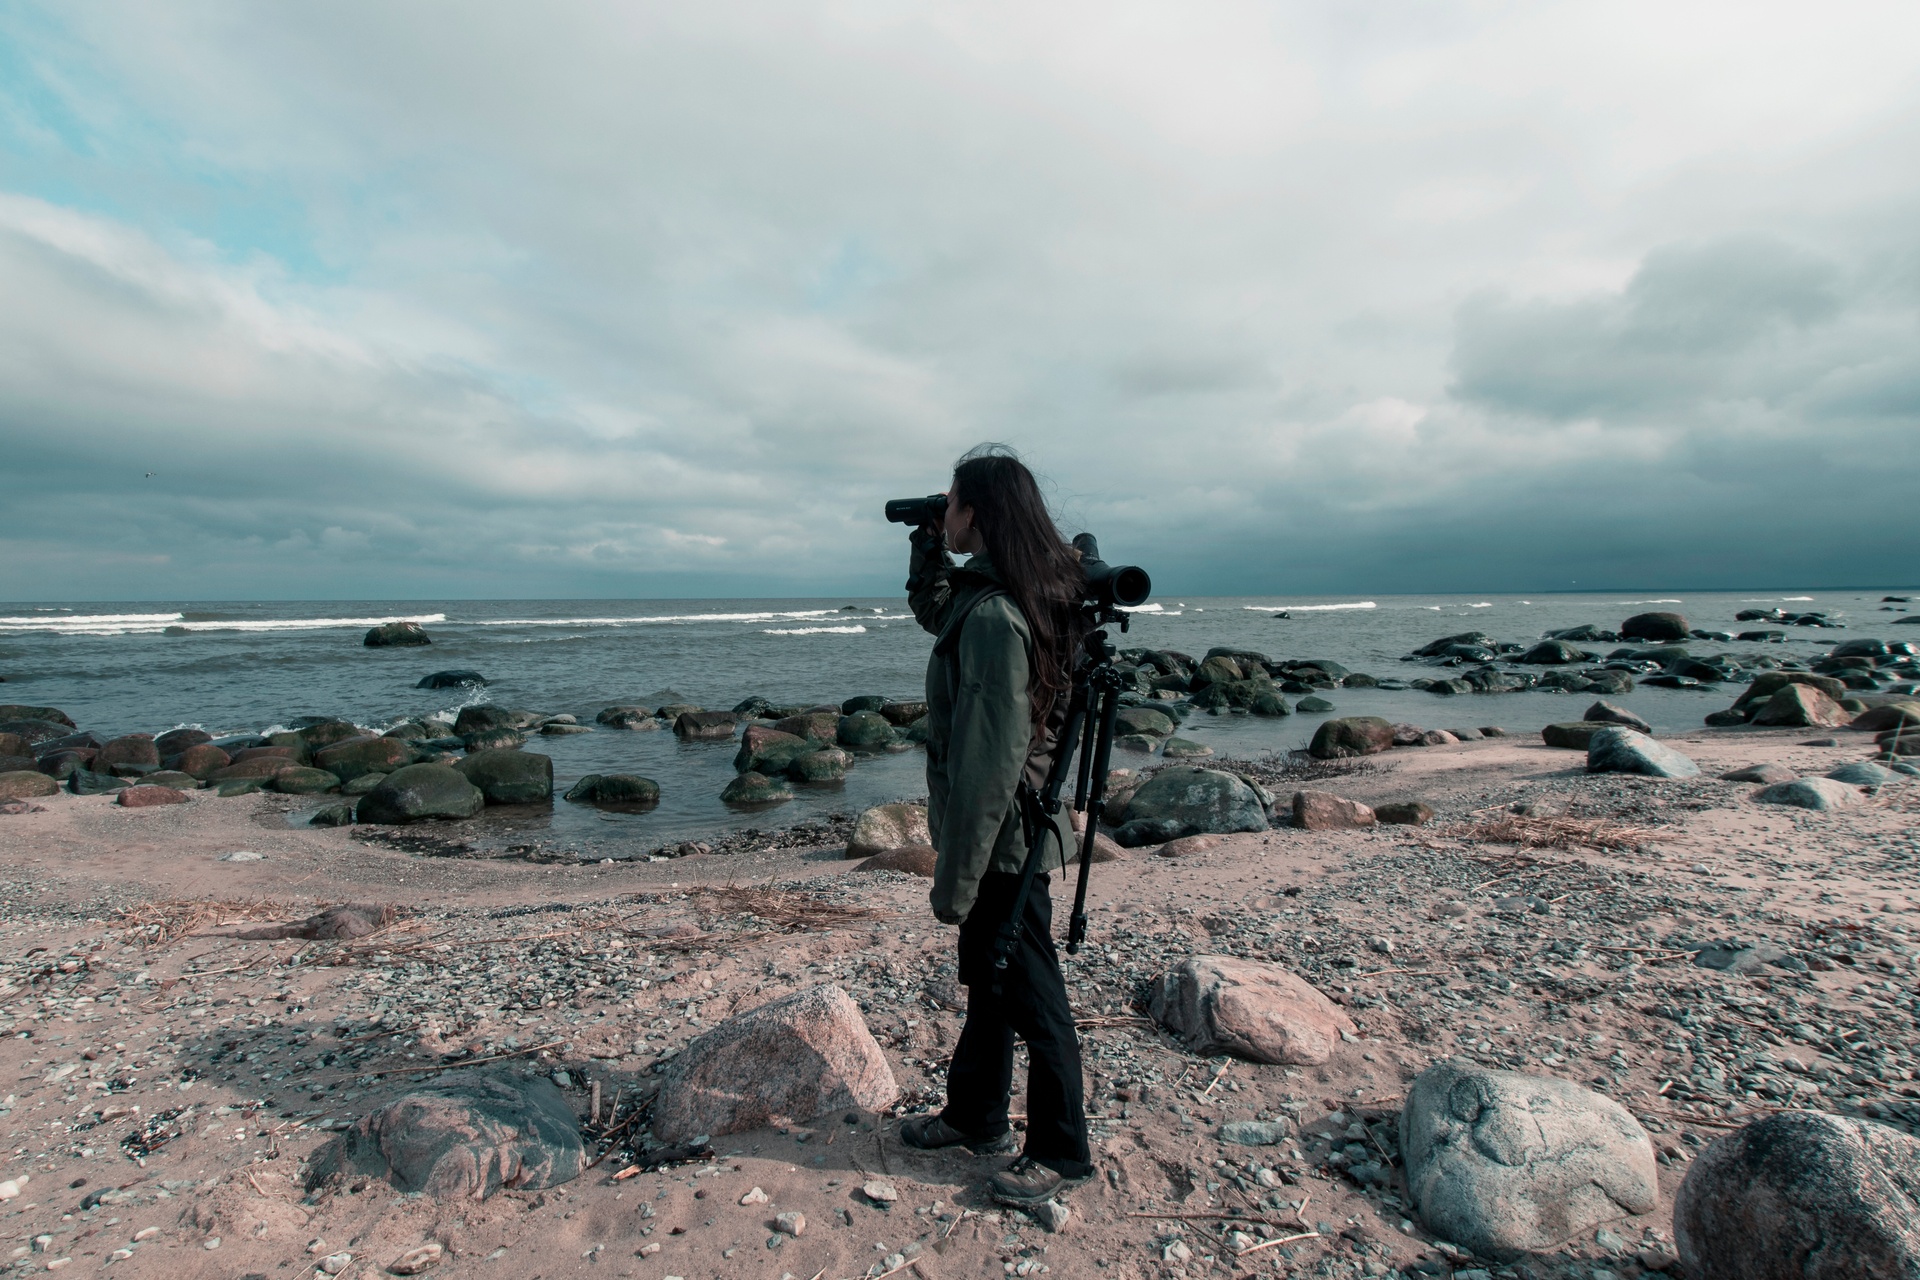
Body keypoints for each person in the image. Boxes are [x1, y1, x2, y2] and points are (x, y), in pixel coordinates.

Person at [897, 444, 1094, 1206]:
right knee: (990, 981)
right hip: (1013, 836)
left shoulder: (997, 617)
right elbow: (936, 610)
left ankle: (1062, 1151)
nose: (944, 512)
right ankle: (976, 1115)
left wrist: (957, 874)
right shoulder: (1007, 593)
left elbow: (987, 762)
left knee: (1033, 995)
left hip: (1003, 844)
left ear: (975, 512)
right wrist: (923, 541)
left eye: (949, 503)